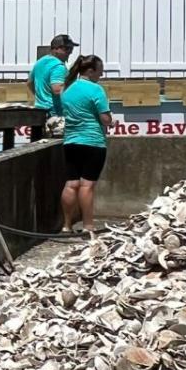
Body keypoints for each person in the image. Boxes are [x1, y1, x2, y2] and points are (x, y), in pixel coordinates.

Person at [59, 55, 113, 235]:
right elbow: (105, 119)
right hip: (93, 141)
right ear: (91, 70)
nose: (101, 74)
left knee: (71, 183)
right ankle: (88, 226)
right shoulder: (96, 90)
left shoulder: (67, 89)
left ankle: (66, 225)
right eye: (100, 70)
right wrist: (111, 123)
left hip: (71, 141)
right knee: (86, 185)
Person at [30, 34, 77, 115]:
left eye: (71, 48)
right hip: (55, 112)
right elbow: (57, 90)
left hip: (40, 109)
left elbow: (29, 83)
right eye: (67, 48)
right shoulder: (58, 66)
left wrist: (41, 98)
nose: (70, 51)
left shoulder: (40, 62)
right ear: (55, 48)